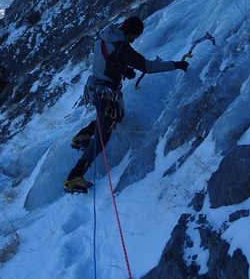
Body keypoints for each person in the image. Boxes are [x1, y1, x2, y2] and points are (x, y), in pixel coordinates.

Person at [63, 16, 189, 193]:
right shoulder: (123, 47)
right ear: (129, 31)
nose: (133, 40)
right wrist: (176, 64)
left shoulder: (104, 36)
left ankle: (83, 136)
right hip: (106, 94)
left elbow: (106, 57)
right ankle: (74, 177)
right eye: (134, 36)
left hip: (94, 87)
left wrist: (122, 68)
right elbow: (147, 66)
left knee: (117, 117)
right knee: (103, 137)